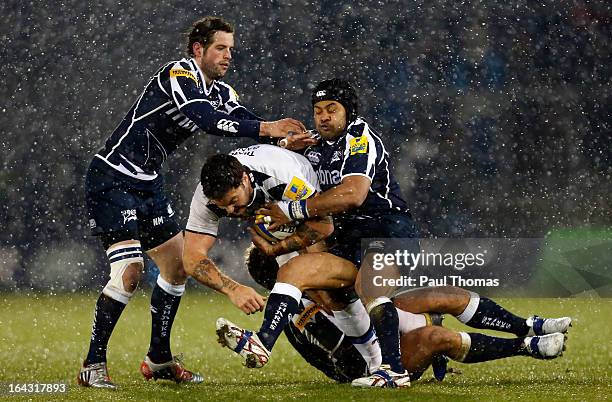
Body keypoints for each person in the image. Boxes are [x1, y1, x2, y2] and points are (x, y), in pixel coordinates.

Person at [78, 16, 306, 389]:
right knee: (130, 272)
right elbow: (208, 120)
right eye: (220, 47)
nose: (228, 55)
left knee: (176, 268)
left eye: (231, 48)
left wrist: (284, 142)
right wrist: (269, 128)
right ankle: (93, 364)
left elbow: (240, 119)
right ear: (199, 49)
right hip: (113, 178)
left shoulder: (221, 91)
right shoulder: (179, 74)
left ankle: (159, 359)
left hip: (149, 184)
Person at [249, 78, 419, 387]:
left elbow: (353, 194)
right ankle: (261, 343)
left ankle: (396, 371)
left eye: (332, 109)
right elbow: (284, 164)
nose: (324, 117)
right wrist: (283, 146)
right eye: (317, 111)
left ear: (349, 112)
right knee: (294, 271)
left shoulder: (359, 138)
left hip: (387, 231)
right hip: (348, 239)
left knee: (370, 288)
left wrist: (292, 211)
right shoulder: (315, 144)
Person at [186, 145, 385, 373]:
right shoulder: (206, 199)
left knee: (328, 291)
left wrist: (279, 247)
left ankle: (373, 357)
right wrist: (233, 289)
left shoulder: (279, 175)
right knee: (281, 279)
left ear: (244, 179)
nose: (231, 211)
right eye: (223, 206)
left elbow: (323, 225)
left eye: (233, 200)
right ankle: (355, 359)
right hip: (280, 223)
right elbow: (192, 258)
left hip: (320, 215)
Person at [244, 246, 570, 383]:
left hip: (379, 327)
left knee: (444, 293)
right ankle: (527, 348)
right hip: (372, 365)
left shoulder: (316, 277)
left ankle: (527, 326)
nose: (301, 261)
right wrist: (395, 356)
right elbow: (347, 364)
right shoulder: (296, 312)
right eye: (292, 260)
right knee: (436, 337)